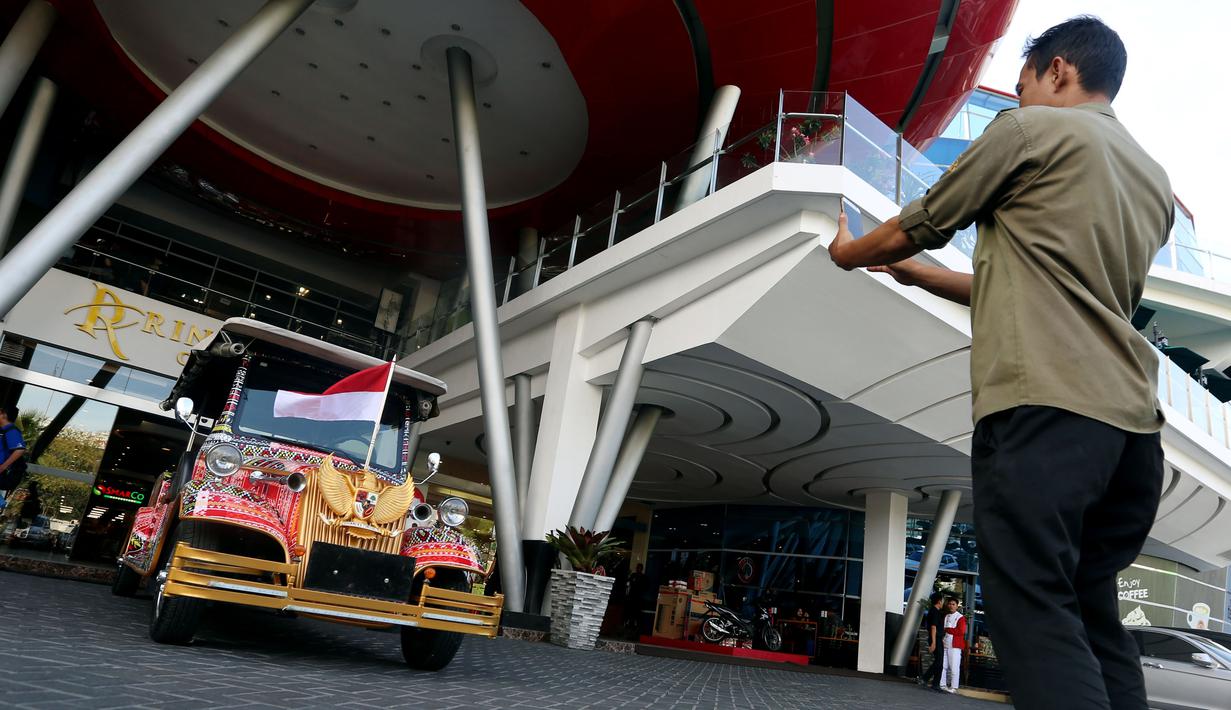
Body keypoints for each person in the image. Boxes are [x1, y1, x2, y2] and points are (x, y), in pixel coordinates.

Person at [828, 17, 1171, 710]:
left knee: (1032, 609)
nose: (1017, 104)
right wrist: (919, 277)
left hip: (1046, 410)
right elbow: (1050, 285)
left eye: (1021, 88)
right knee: (1090, 614)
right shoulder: (1151, 180)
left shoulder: (1029, 132)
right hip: (1131, 433)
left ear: (1058, 72)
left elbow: (915, 222)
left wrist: (848, 253)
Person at [0, 405, 28, 507]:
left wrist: (3, 466)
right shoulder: (3, 430)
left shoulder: (11, 430)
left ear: (4, 415)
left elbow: (20, 449)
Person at [920, 591, 946, 691]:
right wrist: (934, 642)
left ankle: (936, 684)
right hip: (935, 639)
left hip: (938, 639)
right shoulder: (934, 611)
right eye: (943, 600)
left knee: (940, 662)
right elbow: (933, 627)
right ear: (939, 601)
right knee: (939, 661)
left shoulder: (935, 611)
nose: (943, 602)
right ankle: (925, 678)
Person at [940, 597, 968, 694]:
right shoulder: (946, 616)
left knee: (954, 666)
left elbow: (961, 631)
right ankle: (942, 684)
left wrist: (948, 629)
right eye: (950, 604)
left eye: (953, 604)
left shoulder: (961, 617)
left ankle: (954, 687)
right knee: (943, 666)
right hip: (945, 643)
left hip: (955, 645)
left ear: (957, 606)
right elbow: (943, 630)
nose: (951, 606)